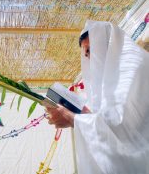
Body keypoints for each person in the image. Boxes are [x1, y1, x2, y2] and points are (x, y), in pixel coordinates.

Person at [46, 20, 149, 174]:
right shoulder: (113, 77)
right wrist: (85, 115)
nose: (89, 59)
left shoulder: (133, 68)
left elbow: (125, 130)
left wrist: (72, 118)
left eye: (90, 50)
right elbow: (112, 123)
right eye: (85, 54)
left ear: (108, 44)